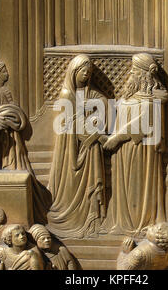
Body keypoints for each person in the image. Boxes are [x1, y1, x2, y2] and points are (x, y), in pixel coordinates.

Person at [101, 53, 168, 236]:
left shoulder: (153, 100)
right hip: (123, 152)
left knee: (136, 186)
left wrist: (117, 138)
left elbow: (143, 123)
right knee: (123, 185)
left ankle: (137, 222)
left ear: (145, 74)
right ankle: (122, 222)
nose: (131, 72)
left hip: (140, 151)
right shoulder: (133, 96)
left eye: (135, 70)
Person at [47, 54, 107, 239]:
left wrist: (97, 108)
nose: (86, 76)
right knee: (72, 183)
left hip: (89, 148)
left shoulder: (91, 93)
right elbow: (68, 123)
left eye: (88, 73)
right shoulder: (67, 94)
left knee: (92, 180)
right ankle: (72, 214)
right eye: (83, 72)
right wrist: (91, 131)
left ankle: (92, 220)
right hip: (71, 149)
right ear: (73, 72)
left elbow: (103, 102)